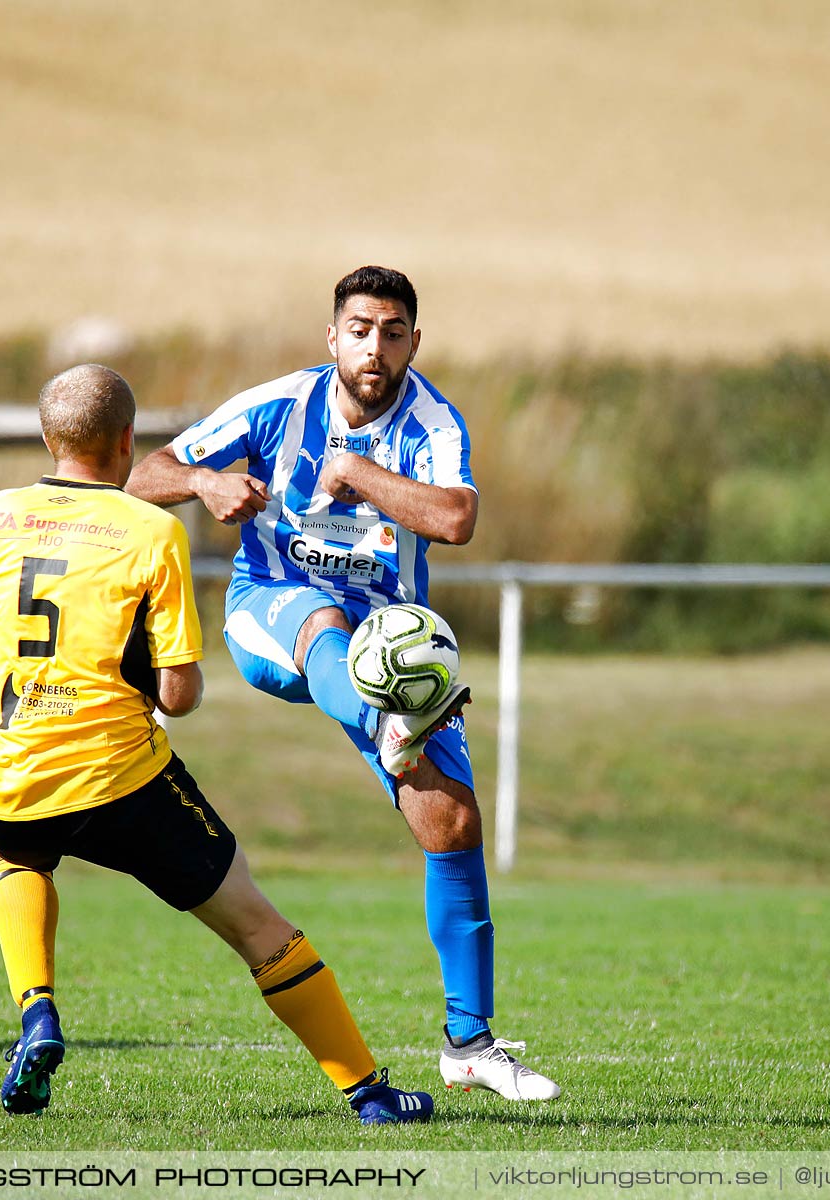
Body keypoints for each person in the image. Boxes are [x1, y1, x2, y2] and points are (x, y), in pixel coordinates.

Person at [127, 267, 561, 1101]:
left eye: (392, 331)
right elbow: (145, 474)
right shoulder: (275, 405)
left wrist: (356, 472)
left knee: (452, 820)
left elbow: (456, 518)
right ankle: (388, 721)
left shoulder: (431, 420)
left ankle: (468, 1044)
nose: (375, 346)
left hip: (390, 635)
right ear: (333, 337)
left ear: (413, 343)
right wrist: (207, 482)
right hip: (273, 613)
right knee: (326, 629)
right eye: (359, 329)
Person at [0, 363, 434, 1124]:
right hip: (117, 778)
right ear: (127, 443)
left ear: (48, 439)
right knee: (256, 923)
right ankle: (370, 1092)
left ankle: (38, 1013)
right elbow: (177, 695)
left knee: (16, 855)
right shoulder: (150, 529)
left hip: (3, 767)